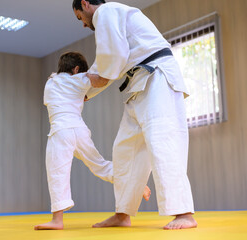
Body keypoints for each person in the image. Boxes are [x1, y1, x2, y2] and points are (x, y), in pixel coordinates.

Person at [72, 0, 197, 230]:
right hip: (138, 85)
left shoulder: (106, 12)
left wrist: (94, 84)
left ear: (86, 4)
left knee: (162, 141)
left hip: (157, 78)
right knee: (124, 150)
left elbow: (112, 60)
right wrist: (84, 92)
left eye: (80, 17)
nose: (83, 24)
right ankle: (123, 213)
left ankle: (185, 213)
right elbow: (104, 63)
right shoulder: (110, 21)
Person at [34, 51, 151, 230]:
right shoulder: (80, 79)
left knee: (57, 172)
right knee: (100, 165)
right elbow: (101, 80)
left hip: (60, 131)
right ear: (77, 69)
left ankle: (57, 220)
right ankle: (136, 182)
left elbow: (55, 100)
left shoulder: (50, 82)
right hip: (80, 131)